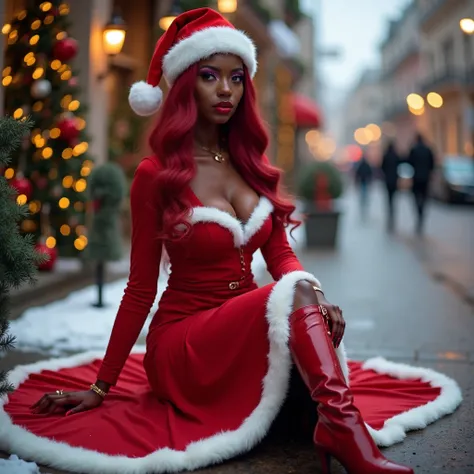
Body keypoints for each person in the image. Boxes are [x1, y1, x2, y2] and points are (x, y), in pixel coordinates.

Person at [1, 8, 460, 474]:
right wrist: (101, 387)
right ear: (184, 83)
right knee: (295, 301)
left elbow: (279, 253)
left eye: (236, 78)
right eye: (209, 76)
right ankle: (347, 435)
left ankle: (332, 423)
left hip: (243, 331)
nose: (226, 89)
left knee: (301, 332)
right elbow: (140, 288)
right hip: (183, 343)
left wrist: (316, 297)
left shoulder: (250, 165)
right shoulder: (154, 175)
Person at [407, 133, 435, 234]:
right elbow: (432, 164)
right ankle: (421, 212)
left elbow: (409, 161)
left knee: (416, 197)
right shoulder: (428, 149)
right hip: (426, 178)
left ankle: (419, 211)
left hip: (416, 178)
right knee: (424, 197)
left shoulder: (414, 150)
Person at [381, 140, 400, 231]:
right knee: (394, 197)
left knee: (389, 198)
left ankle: (390, 211)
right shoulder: (396, 156)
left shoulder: (386, 156)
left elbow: (382, 167)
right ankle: (392, 212)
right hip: (394, 180)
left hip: (388, 180)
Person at [354, 153, 373, 219]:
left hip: (363, 181)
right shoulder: (366, 165)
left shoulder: (361, 165)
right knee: (364, 194)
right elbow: (370, 173)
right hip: (364, 181)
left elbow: (357, 174)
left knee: (363, 194)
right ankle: (364, 203)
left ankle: (363, 203)